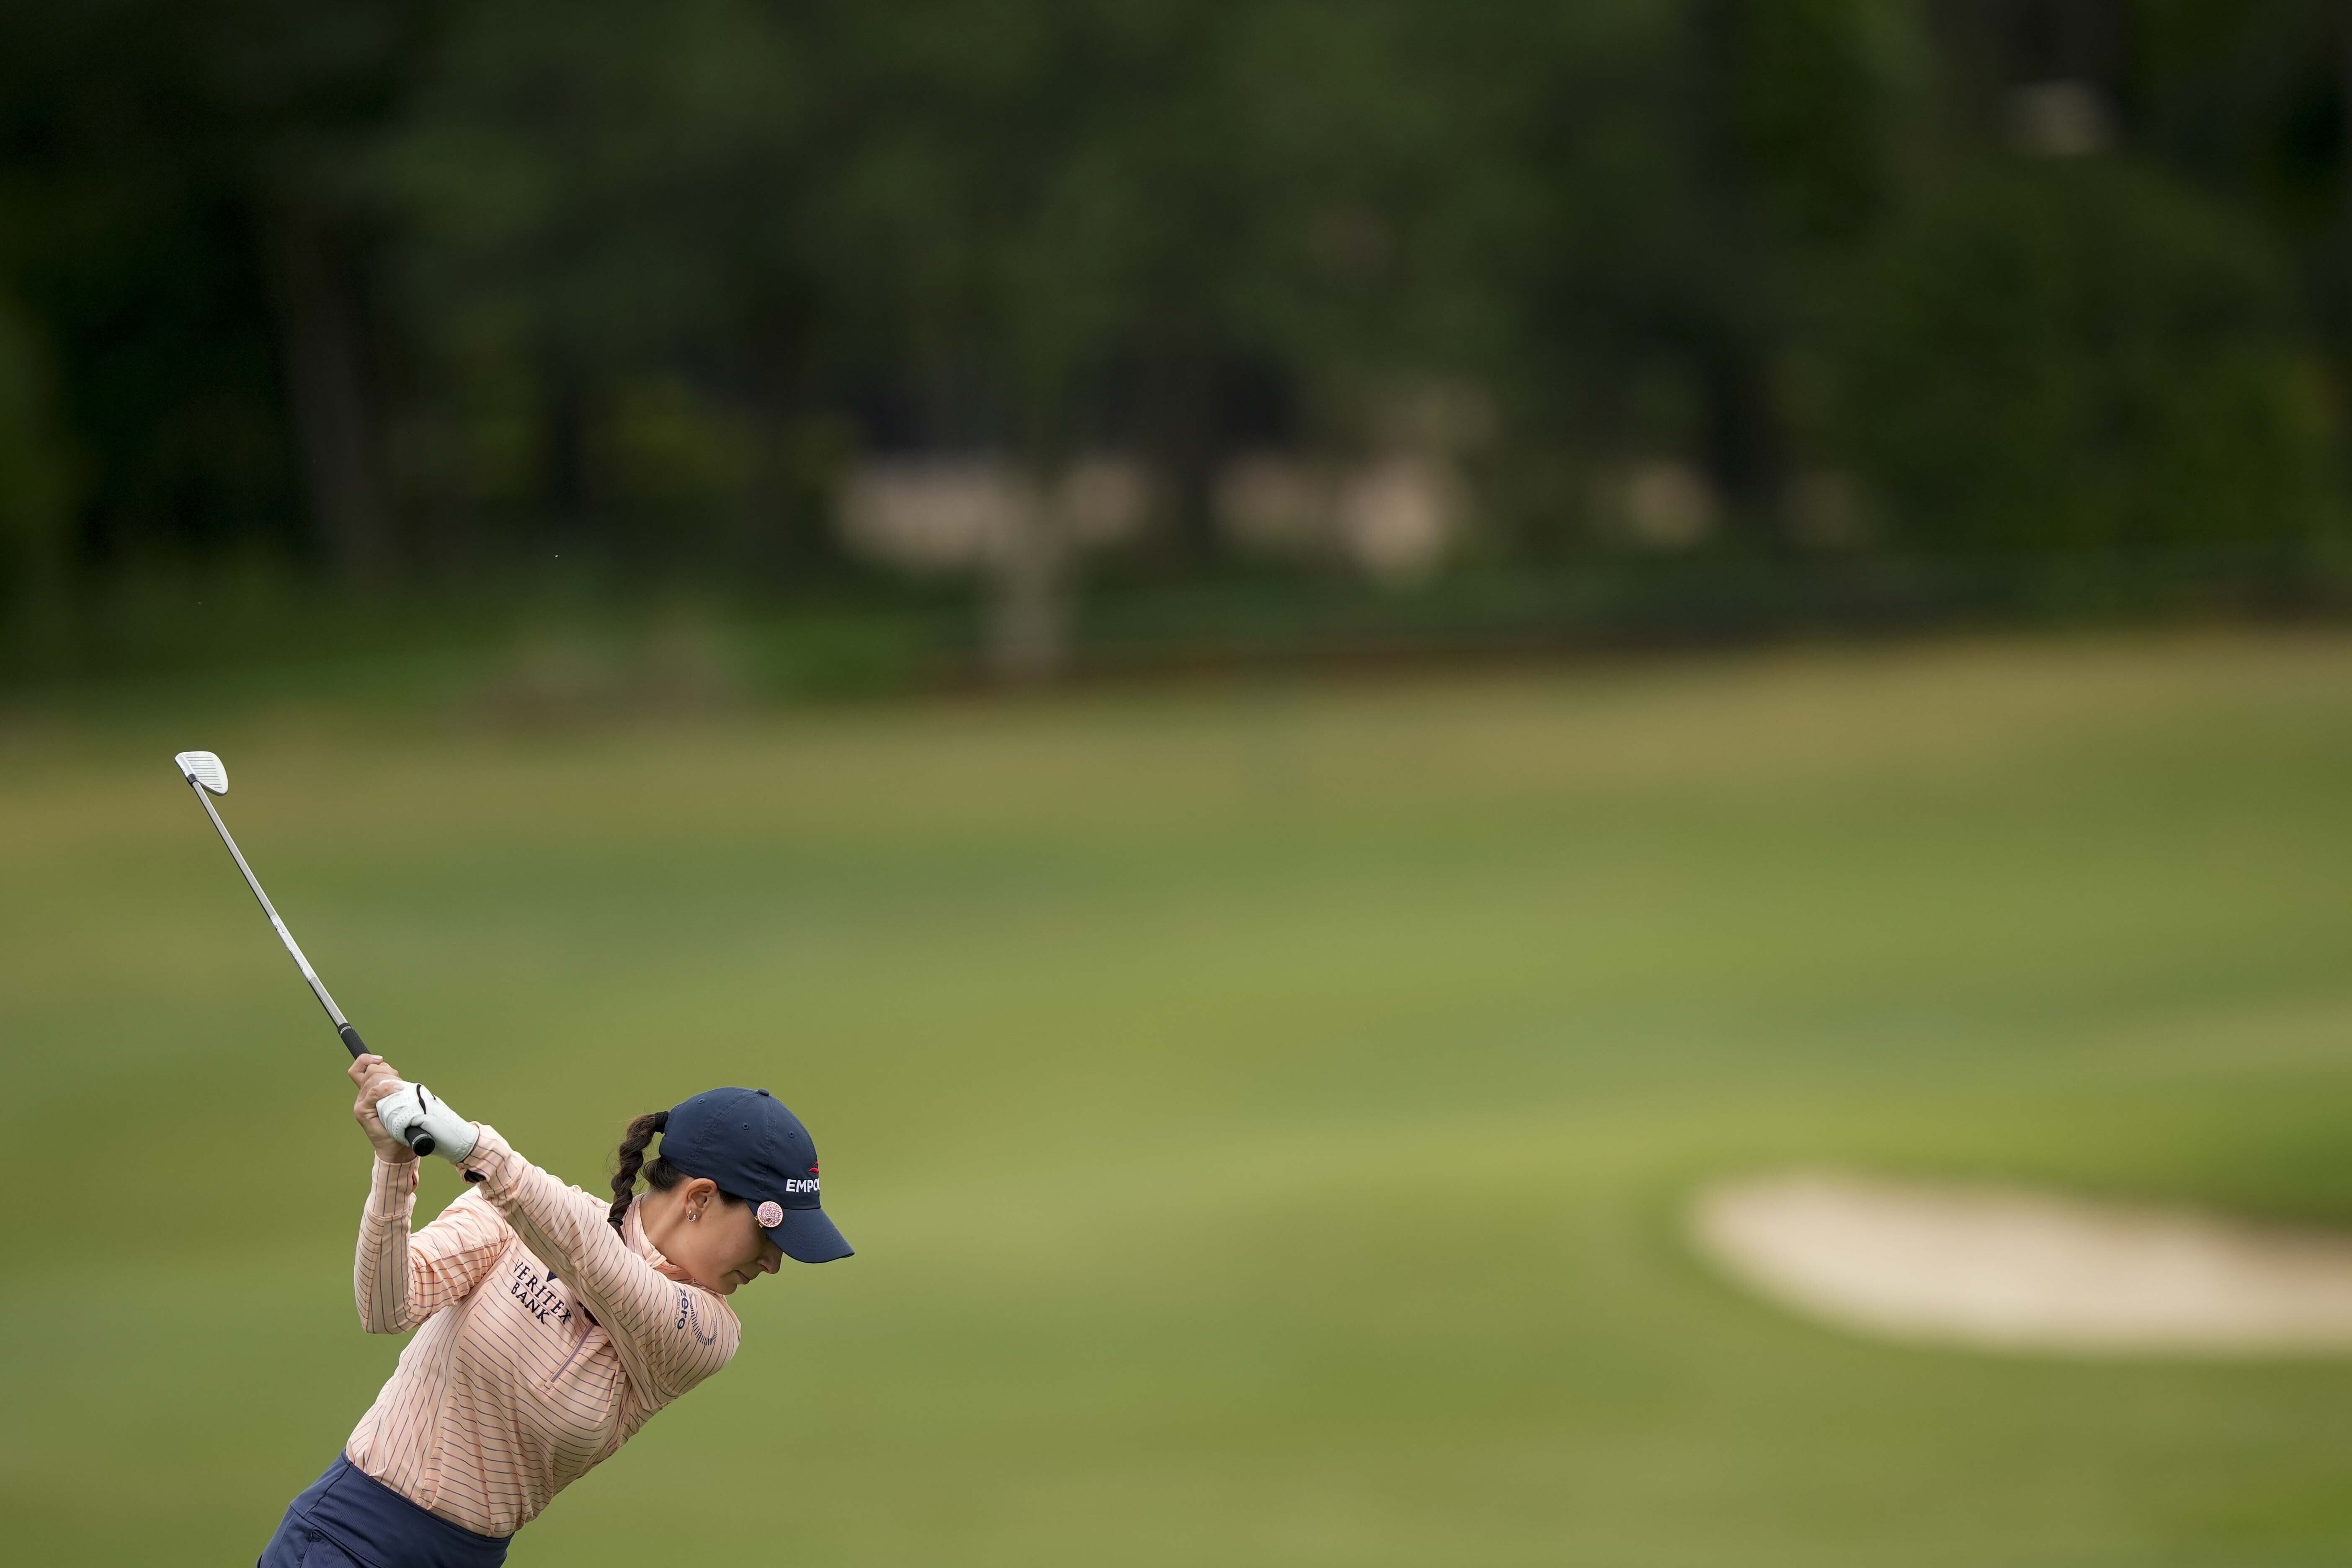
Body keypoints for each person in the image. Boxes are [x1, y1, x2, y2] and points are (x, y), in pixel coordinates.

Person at [256, 1052, 852, 1566]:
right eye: (769, 1237)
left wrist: (474, 1148)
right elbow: (387, 1307)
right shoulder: (514, 1218)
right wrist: (394, 1165)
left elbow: (607, 1273)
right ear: (699, 1199)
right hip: (344, 1542)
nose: (773, 1265)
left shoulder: (708, 1333)